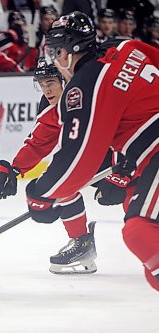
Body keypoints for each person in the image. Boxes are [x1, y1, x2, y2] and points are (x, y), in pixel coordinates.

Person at [28, 11, 158, 290]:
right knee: (135, 206)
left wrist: (42, 192)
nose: (54, 58)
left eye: (55, 51)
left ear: (67, 51)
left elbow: (77, 160)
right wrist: (126, 164)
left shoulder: (83, 86)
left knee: (141, 231)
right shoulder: (124, 46)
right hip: (143, 157)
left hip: (154, 152)